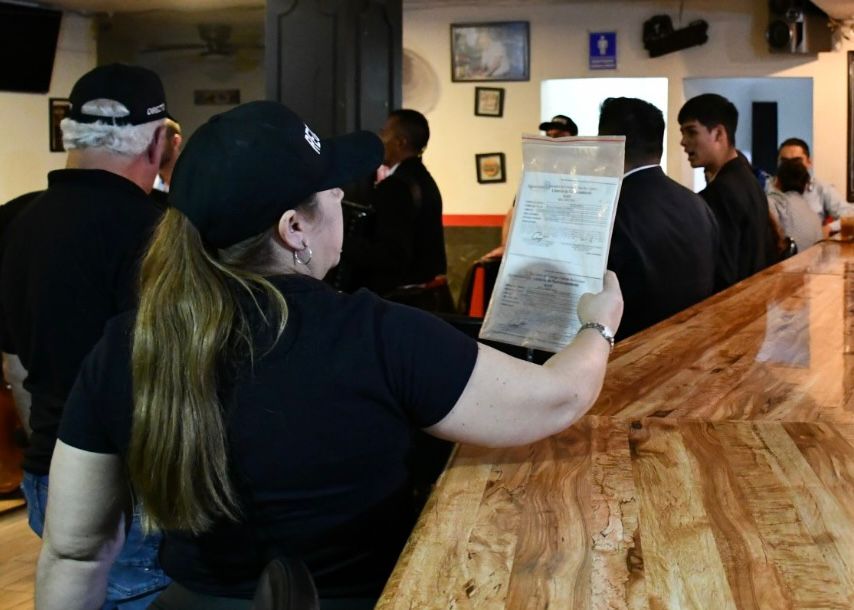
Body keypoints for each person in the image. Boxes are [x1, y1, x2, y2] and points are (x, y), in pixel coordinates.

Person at [36, 100, 624, 610]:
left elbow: (74, 552)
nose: (343, 194)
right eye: (330, 189)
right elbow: (556, 398)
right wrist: (598, 325)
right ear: (294, 228)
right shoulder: (377, 336)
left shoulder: (127, 345)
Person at [0, 63, 171, 607]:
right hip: (127, 485)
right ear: (158, 144)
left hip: (49, 473)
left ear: (69, 133)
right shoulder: (158, 233)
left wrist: (54, 443)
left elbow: (14, 365)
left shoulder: (16, 222)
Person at [599, 97, 718, 340]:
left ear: (606, 144)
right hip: (693, 344)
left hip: (628, 352)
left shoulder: (607, 210)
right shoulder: (698, 204)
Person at [342, 109, 448, 305]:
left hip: (404, 299)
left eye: (384, 132)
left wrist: (341, 243)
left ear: (400, 142)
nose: (380, 139)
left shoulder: (396, 186)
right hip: (426, 299)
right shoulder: (424, 180)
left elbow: (390, 254)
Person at [678, 93, 777, 292]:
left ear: (719, 134)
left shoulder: (721, 192)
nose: (683, 142)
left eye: (691, 132)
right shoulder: (748, 178)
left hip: (732, 305)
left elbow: (723, 273)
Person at [768, 137, 854, 235]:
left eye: (797, 161)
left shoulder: (821, 188)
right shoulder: (766, 187)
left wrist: (829, 228)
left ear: (809, 162)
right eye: (784, 161)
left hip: (811, 241)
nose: (790, 166)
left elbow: (851, 215)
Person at [767, 158, 823, 253]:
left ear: (777, 182)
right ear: (805, 186)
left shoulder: (772, 203)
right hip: (812, 261)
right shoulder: (815, 217)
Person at [152, 117, 182, 195]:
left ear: (175, 141)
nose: (150, 147)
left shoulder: (197, 182)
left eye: (157, 140)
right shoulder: (147, 184)